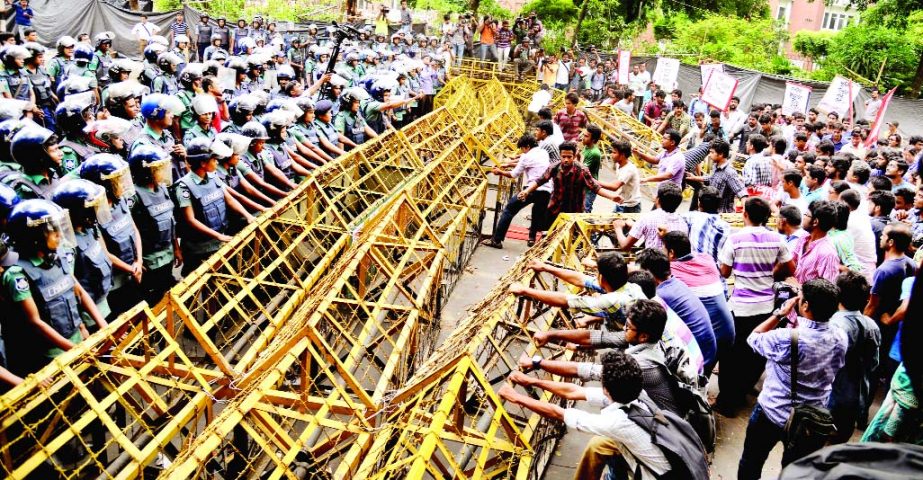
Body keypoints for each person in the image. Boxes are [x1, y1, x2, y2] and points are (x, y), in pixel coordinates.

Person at [497, 350, 686, 480]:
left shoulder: (616, 422)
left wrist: (516, 398)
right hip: (671, 457)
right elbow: (573, 391)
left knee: (604, 442)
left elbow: (559, 413)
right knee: (600, 444)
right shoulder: (636, 393)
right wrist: (531, 382)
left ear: (606, 390)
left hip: (662, 475)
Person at [738, 279, 847, 479]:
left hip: (772, 411)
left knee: (752, 461)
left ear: (805, 305)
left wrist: (779, 313)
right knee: (795, 473)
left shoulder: (787, 338)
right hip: (811, 419)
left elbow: (753, 338)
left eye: (801, 297)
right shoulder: (840, 336)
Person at [2, 199, 107, 376]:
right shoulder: (18, 274)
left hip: (78, 339)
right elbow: (35, 322)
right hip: (52, 355)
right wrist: (74, 350)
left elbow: (77, 291)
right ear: (34, 237)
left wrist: (102, 326)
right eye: (52, 231)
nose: (60, 234)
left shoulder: (60, 255)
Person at [524, 298, 681, 415]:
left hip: (660, 422)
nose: (625, 329)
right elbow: (596, 337)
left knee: (604, 427)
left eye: (629, 327)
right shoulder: (649, 340)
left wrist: (538, 363)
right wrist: (551, 335)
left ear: (643, 336)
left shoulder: (642, 364)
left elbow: (588, 371)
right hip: (649, 405)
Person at [715, 197, 795, 414]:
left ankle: (727, 401)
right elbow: (790, 267)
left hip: (740, 306)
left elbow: (724, 272)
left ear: (745, 215)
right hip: (766, 306)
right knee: (755, 353)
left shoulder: (735, 238)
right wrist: (771, 274)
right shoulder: (777, 239)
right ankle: (742, 392)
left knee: (732, 355)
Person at [172, 137, 254, 275]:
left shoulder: (213, 177)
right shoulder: (183, 187)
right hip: (198, 248)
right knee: (197, 285)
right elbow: (190, 219)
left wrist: (248, 215)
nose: (217, 161)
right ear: (203, 163)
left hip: (218, 242)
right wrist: (219, 236)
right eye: (214, 159)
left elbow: (230, 200)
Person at [636, 248, 718, 374]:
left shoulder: (661, 295)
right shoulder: (675, 282)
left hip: (695, 362)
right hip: (707, 352)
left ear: (649, 273)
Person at [518, 141, 621, 238]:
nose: (566, 159)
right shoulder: (554, 167)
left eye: (569, 157)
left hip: (574, 211)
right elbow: (540, 180)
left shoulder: (582, 170)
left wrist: (611, 196)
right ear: (560, 155)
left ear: (574, 156)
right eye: (563, 157)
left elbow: (595, 187)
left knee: (572, 239)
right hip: (555, 209)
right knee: (550, 237)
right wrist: (526, 191)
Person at [52, 180, 114, 326]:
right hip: (90, 317)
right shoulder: (67, 245)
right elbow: (74, 287)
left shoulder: (89, 228)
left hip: (104, 300)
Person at [828, 271, 881, 444]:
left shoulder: (833, 324)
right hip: (856, 397)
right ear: (866, 300)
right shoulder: (872, 326)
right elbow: (874, 364)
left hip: (831, 397)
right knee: (839, 443)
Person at [126, 144, 180, 307]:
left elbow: (171, 221)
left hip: (167, 254)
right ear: (146, 172)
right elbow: (130, 232)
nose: (163, 172)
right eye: (158, 168)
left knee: (168, 293)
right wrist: (139, 260)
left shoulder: (163, 188)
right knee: (154, 302)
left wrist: (176, 248)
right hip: (150, 260)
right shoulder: (133, 196)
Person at [482, 133, 551, 248]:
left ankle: (497, 240)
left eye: (522, 149)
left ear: (527, 146)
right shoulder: (544, 152)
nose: (522, 152)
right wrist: (510, 163)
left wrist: (500, 172)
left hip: (531, 190)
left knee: (509, 210)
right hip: (547, 190)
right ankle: (531, 239)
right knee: (537, 213)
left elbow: (514, 174)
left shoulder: (525, 156)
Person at [612, 181, 686, 251]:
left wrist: (618, 228)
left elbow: (625, 246)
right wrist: (635, 226)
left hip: (652, 261)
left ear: (658, 199)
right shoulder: (683, 222)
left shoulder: (647, 218)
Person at [686, 139, 746, 213]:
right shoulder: (716, 166)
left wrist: (746, 210)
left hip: (722, 212)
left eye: (712, 152)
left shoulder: (730, 173)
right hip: (711, 210)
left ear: (721, 154)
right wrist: (695, 178)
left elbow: (741, 191)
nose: (709, 155)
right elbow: (711, 177)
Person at [792, 200, 841, 284]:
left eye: (806, 215)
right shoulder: (804, 238)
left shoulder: (828, 254)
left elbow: (827, 290)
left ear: (815, 222)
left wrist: (797, 287)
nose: (803, 217)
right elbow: (793, 261)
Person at [683, 186, 730, 263]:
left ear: (699, 203)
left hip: (694, 267)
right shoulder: (726, 226)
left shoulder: (691, 217)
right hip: (715, 271)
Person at [608, 138, 641, 213]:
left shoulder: (628, 169)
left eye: (614, 153)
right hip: (622, 202)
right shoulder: (618, 164)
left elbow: (615, 187)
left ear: (622, 155)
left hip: (631, 206)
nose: (611, 155)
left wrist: (595, 182)